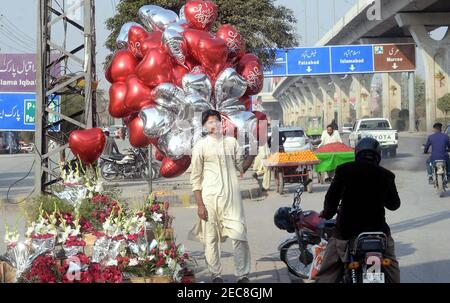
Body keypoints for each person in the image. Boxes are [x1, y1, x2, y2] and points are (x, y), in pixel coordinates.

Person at [315, 137, 401, 283]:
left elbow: (331, 198)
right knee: (392, 268)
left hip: (346, 232)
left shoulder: (344, 170)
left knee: (328, 270)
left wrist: (328, 213)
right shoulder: (386, 175)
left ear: (357, 153)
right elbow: (394, 205)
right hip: (378, 233)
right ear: (378, 155)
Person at [189, 109, 256, 283]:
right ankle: (215, 275)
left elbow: (241, 168)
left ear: (222, 123)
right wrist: (200, 205)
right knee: (211, 239)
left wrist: (253, 153)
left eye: (216, 121)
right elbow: (195, 178)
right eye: (209, 122)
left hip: (231, 198)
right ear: (204, 126)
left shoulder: (232, 142)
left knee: (240, 235)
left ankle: (242, 275)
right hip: (210, 198)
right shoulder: (200, 146)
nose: (214, 124)